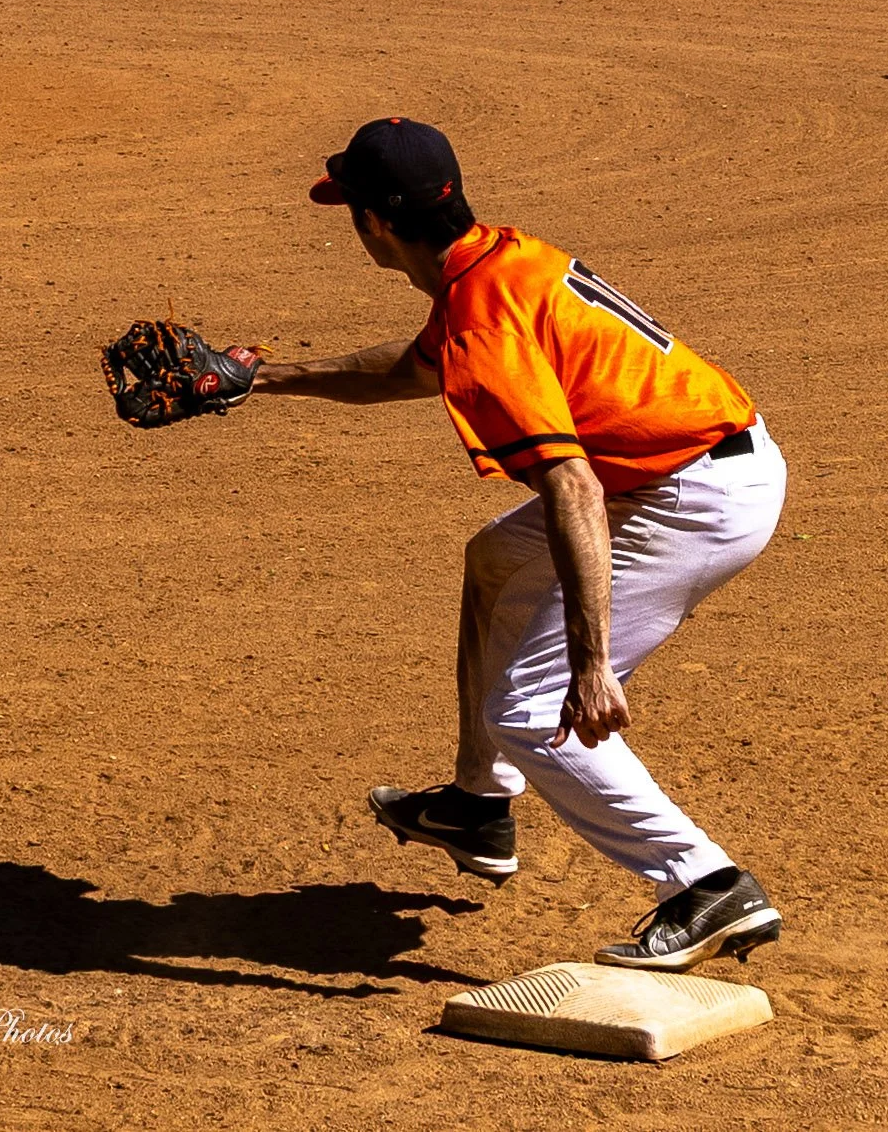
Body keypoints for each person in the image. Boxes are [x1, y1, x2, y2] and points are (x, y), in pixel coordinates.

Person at [250, 117, 787, 971]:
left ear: (376, 224)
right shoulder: (495, 260)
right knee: (496, 562)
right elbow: (415, 368)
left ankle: (706, 882)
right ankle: (477, 804)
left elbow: (571, 485)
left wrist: (593, 660)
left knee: (535, 711)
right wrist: (262, 375)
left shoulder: (484, 325)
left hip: (691, 496)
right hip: (684, 465)